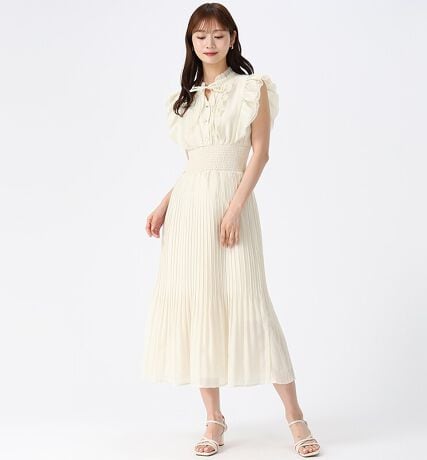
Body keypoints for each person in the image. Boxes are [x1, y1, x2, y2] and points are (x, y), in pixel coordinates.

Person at [142, 3, 321, 457]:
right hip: (188, 210)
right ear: (191, 41)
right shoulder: (183, 98)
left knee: (251, 301)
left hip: (231, 205)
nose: (209, 43)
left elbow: (259, 154)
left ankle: (295, 416)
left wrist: (235, 207)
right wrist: (164, 204)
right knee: (199, 302)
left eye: (218, 35)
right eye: (200, 36)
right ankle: (214, 418)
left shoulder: (252, 88)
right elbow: (194, 165)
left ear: (233, 38)